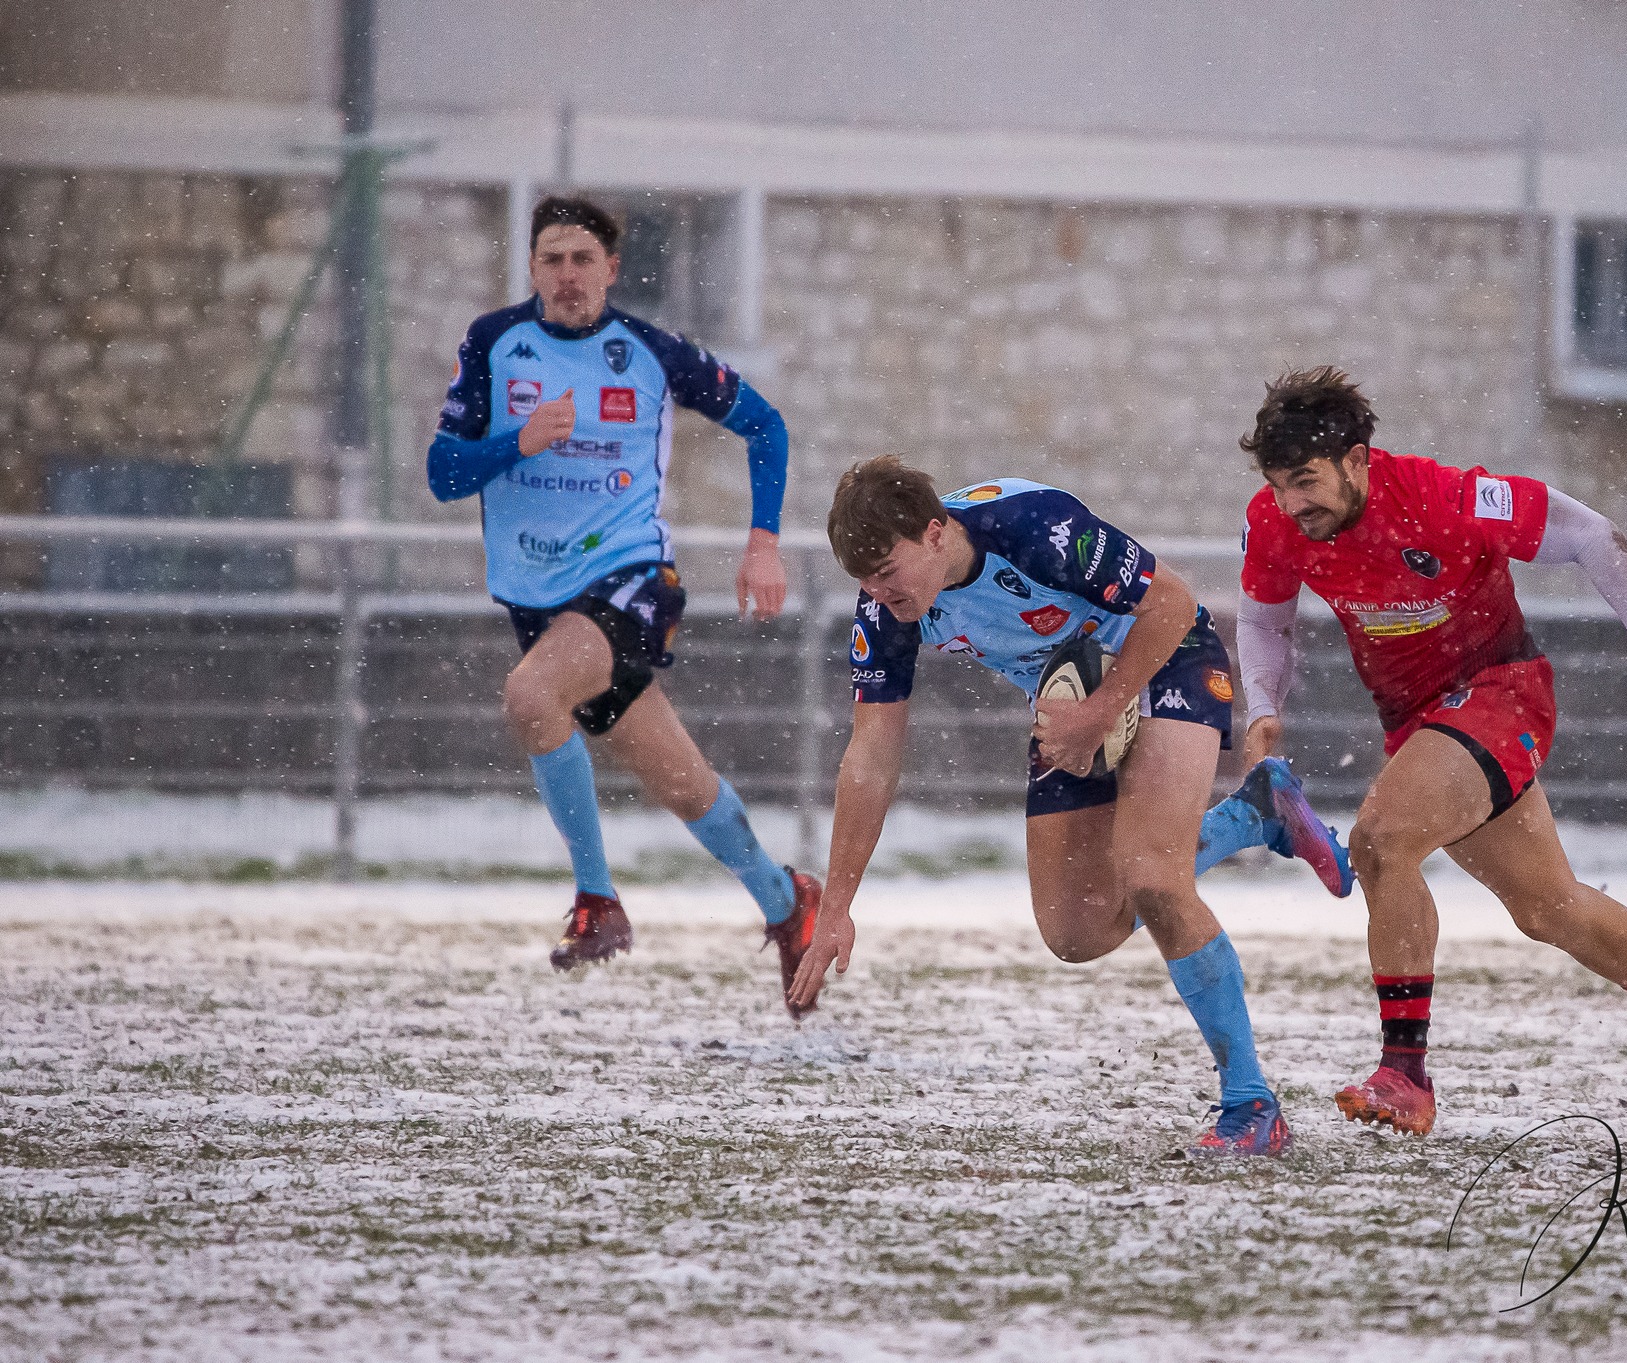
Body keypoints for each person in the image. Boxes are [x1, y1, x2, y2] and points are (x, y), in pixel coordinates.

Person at [1233, 366, 1627, 1134]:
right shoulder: (1274, 522)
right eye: (1278, 485)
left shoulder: (1449, 498)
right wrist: (1264, 711)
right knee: (1552, 910)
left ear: (1357, 459)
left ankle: (1404, 1074)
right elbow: (1263, 620)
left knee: (1380, 843)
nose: (1290, 504)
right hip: (1420, 723)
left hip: (1502, 694)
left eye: (1305, 482)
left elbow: (1590, 535)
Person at [786, 458, 1352, 1156]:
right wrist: (838, 903)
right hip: (1070, 697)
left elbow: (1172, 602)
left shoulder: (1035, 529)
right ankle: (1255, 812)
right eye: (862, 579)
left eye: (885, 569)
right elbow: (870, 756)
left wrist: (1100, 710)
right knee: (1076, 932)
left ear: (934, 533)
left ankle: (1252, 1105)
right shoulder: (887, 611)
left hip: (1167, 658)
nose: (876, 592)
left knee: (1153, 876)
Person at [426, 194, 820, 1013]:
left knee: (531, 696)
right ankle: (789, 902)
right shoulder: (494, 343)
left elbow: (767, 426)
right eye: (551, 259)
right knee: (684, 786)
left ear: (611, 269)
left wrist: (763, 543)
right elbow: (442, 475)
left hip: (633, 581)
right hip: (538, 601)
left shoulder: (648, 351)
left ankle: (596, 899)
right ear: (532, 269)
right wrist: (518, 442)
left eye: (582, 260)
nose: (567, 275)